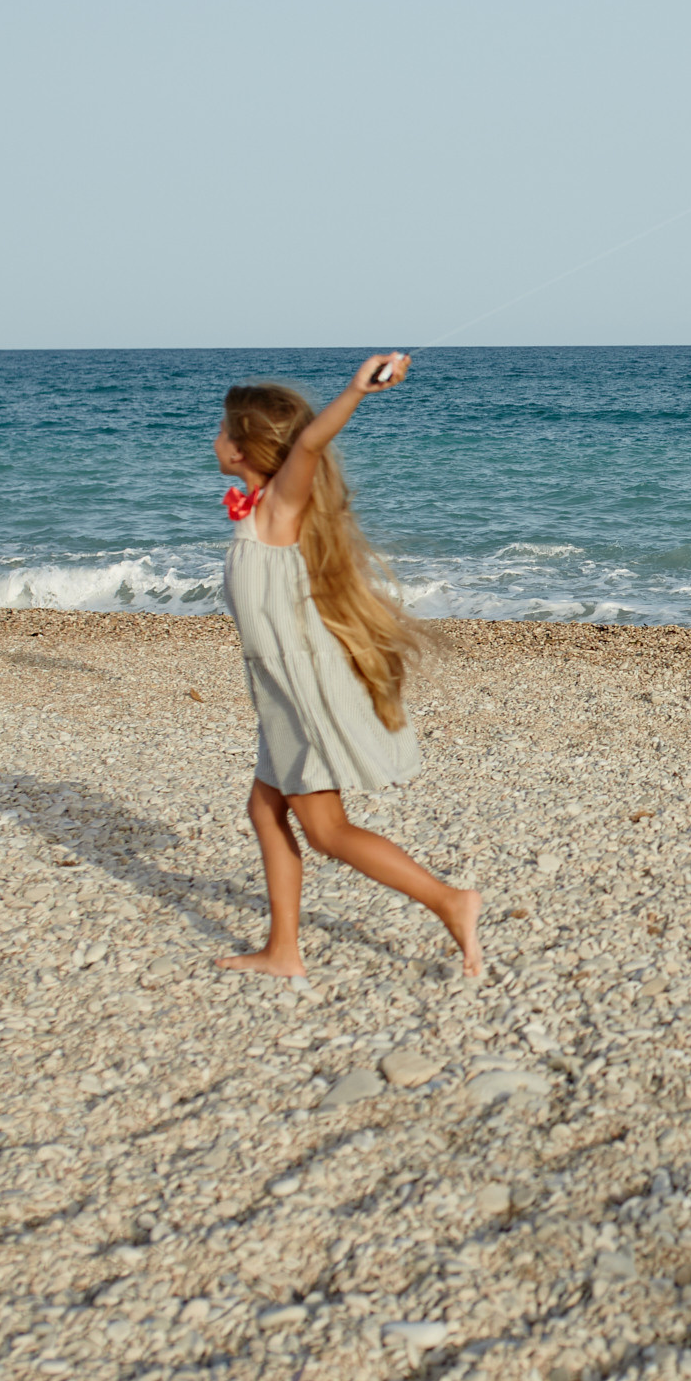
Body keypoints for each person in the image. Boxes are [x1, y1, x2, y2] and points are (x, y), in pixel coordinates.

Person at [211, 352, 482, 979]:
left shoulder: (281, 503)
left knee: (327, 830)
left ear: (245, 447)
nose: (216, 438)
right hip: (280, 690)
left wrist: (357, 390)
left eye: (224, 429)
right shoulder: (261, 511)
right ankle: (283, 951)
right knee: (264, 808)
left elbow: (308, 444)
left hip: (302, 691)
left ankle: (450, 901)